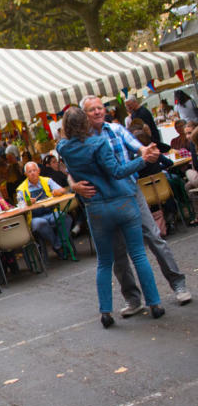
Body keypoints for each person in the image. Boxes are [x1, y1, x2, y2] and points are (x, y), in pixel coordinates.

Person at [75, 96, 191, 311]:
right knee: (118, 251)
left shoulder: (116, 130)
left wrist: (147, 152)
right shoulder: (80, 140)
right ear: (84, 114)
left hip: (130, 191)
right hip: (106, 200)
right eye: (92, 110)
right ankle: (133, 299)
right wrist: (74, 185)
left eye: (100, 108)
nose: (98, 112)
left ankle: (178, 284)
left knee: (153, 237)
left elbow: (137, 147)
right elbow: (73, 170)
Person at [58, 107, 164, 328]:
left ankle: (106, 312)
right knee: (138, 254)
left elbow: (68, 165)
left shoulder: (63, 148)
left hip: (96, 207)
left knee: (105, 262)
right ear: (85, 123)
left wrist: (74, 185)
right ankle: (154, 303)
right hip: (121, 200)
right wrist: (142, 160)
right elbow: (117, 171)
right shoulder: (98, 144)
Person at [16, 162, 72, 260]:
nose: (32, 173)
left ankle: (59, 244)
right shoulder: (21, 188)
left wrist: (57, 192)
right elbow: (20, 205)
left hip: (51, 212)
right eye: (29, 172)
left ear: (39, 171)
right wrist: (27, 203)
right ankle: (58, 246)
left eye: (34, 170)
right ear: (26, 174)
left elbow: (63, 190)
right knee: (40, 223)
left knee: (65, 217)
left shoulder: (47, 181)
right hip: (35, 217)